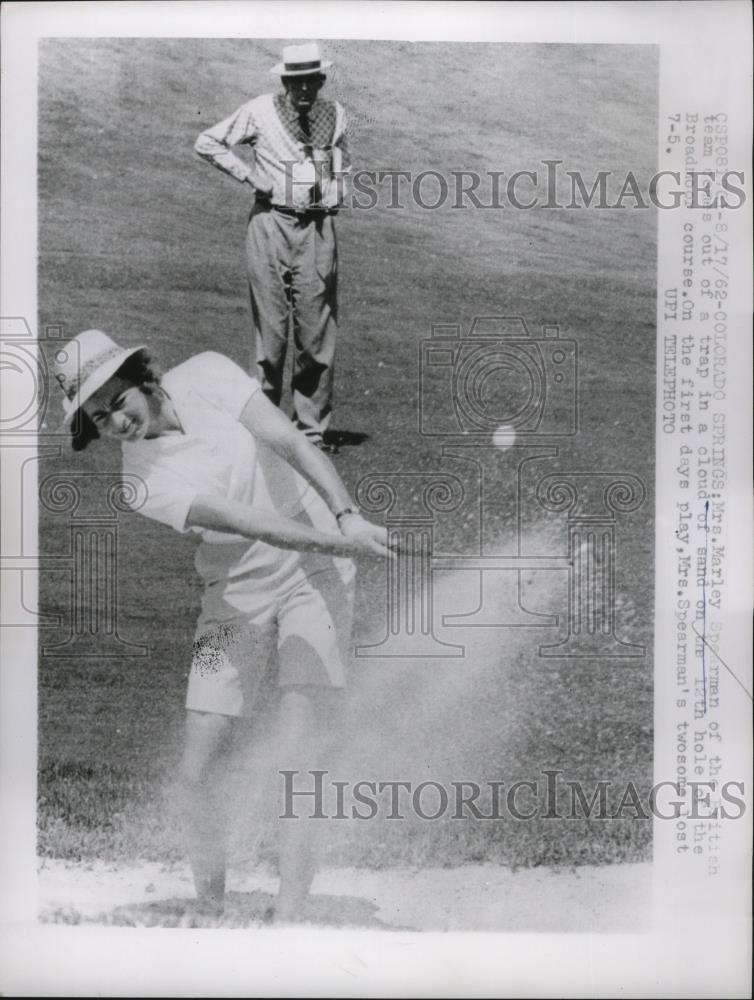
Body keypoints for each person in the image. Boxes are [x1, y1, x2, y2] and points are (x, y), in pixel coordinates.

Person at [54, 328, 389, 922]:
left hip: (319, 570)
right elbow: (249, 522)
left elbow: (287, 439)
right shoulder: (139, 482)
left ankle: (288, 918)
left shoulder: (207, 372)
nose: (116, 421)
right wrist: (344, 539)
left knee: (300, 751)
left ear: (142, 377)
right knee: (197, 767)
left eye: (117, 401)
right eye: (99, 418)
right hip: (231, 595)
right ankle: (211, 911)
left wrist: (348, 517)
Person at [194, 42, 349, 454]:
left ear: (321, 80)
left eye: (310, 81)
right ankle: (263, 430)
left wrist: (335, 190)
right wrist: (249, 177)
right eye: (294, 81)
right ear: (285, 81)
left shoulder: (335, 114)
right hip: (270, 223)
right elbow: (207, 142)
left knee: (317, 333)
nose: (303, 89)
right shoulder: (260, 109)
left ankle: (310, 433)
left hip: (317, 227)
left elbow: (341, 161)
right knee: (273, 334)